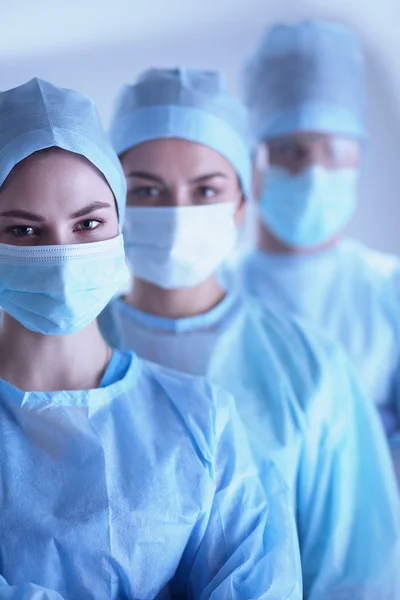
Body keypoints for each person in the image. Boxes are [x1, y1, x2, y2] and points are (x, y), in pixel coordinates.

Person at [100, 67, 400, 599]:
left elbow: (358, 574)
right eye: (146, 190)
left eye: (205, 189)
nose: (176, 213)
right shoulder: (60, 351)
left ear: (240, 202)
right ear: (112, 204)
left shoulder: (309, 368)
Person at [0, 78, 303, 600]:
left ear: (120, 228)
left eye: (88, 223)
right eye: (24, 231)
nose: (63, 254)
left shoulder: (202, 422)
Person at [227, 20, 400, 478]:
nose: (314, 171)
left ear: (359, 156)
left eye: (334, 149)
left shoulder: (388, 289)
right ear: (252, 157)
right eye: (288, 149)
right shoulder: (211, 290)